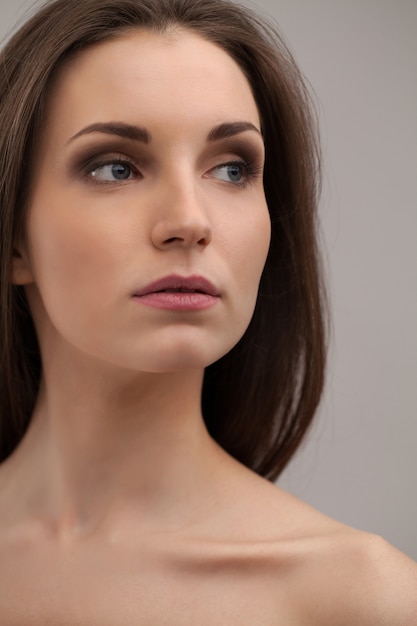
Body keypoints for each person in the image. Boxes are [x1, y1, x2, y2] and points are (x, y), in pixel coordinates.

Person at [0, 0, 415, 622]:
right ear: (14, 240)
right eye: (117, 167)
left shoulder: (362, 598)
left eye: (231, 168)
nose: (191, 221)